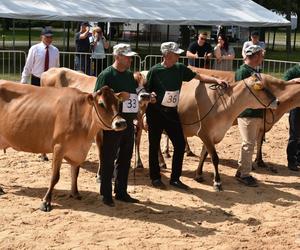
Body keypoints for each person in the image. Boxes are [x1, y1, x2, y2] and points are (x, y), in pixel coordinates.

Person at [146, 41, 228, 190]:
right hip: (155, 113)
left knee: (179, 144)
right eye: (175, 53)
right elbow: (145, 91)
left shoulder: (179, 68)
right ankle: (155, 178)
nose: (178, 55)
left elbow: (199, 76)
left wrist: (216, 80)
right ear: (167, 55)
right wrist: (149, 96)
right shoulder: (155, 71)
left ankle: (175, 178)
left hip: (172, 113)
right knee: (154, 145)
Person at [94, 43, 140, 207]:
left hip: (128, 122)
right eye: (127, 57)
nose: (130, 60)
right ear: (118, 57)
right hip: (112, 125)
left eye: (130, 57)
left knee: (125, 158)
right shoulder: (106, 75)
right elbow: (97, 99)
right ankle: (105, 193)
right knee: (108, 158)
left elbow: (134, 97)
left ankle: (121, 191)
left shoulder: (129, 76)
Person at [21, 27, 59, 162]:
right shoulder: (35, 49)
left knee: (49, 114)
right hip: (37, 80)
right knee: (36, 111)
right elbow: (28, 66)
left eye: (51, 37)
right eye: (47, 37)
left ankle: (47, 146)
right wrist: (23, 82)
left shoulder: (55, 50)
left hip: (50, 82)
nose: (49, 39)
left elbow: (57, 69)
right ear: (41, 37)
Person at [235, 45, 265, 187]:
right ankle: (244, 174)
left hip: (255, 112)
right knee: (248, 143)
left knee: (250, 142)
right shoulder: (243, 71)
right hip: (247, 113)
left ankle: (242, 170)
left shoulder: (253, 71)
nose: (262, 58)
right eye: (261, 55)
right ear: (255, 56)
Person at [283, 64, 300, 171]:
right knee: (294, 135)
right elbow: (283, 84)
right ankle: (291, 160)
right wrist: (294, 81)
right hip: (296, 107)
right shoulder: (294, 71)